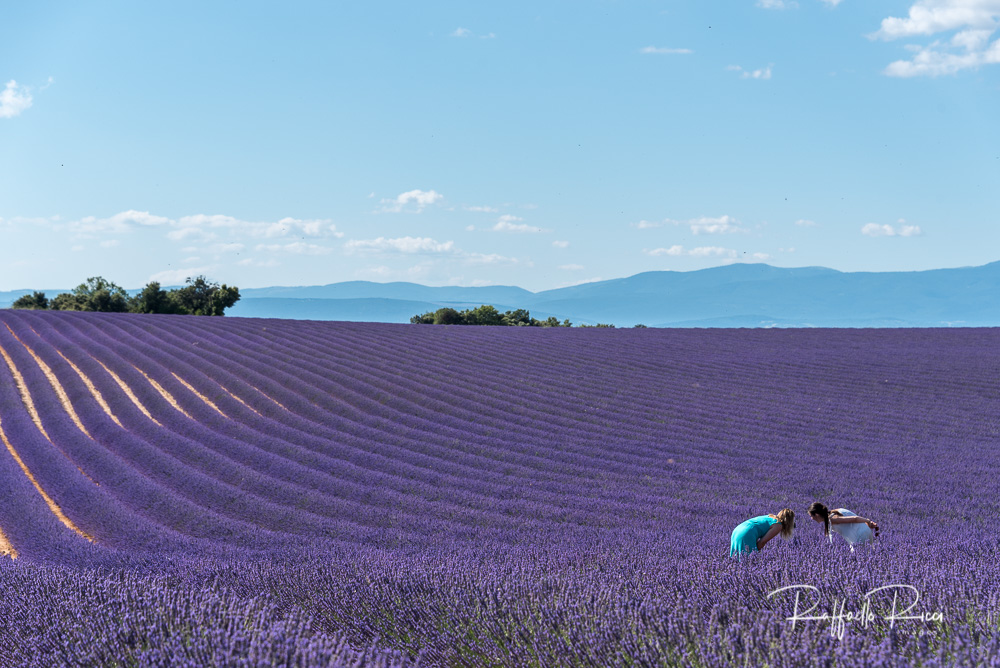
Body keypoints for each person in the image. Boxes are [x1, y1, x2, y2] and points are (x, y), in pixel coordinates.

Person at [808, 502, 879, 548]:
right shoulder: (833, 512)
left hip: (860, 534)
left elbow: (854, 519)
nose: (811, 518)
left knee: (856, 558)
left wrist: (868, 521)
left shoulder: (832, 519)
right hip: (864, 530)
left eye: (811, 516)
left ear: (817, 515)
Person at [729, 508, 795, 557]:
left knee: (736, 558)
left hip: (737, 530)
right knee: (748, 561)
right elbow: (762, 542)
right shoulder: (778, 525)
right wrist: (755, 554)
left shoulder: (770, 517)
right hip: (747, 533)